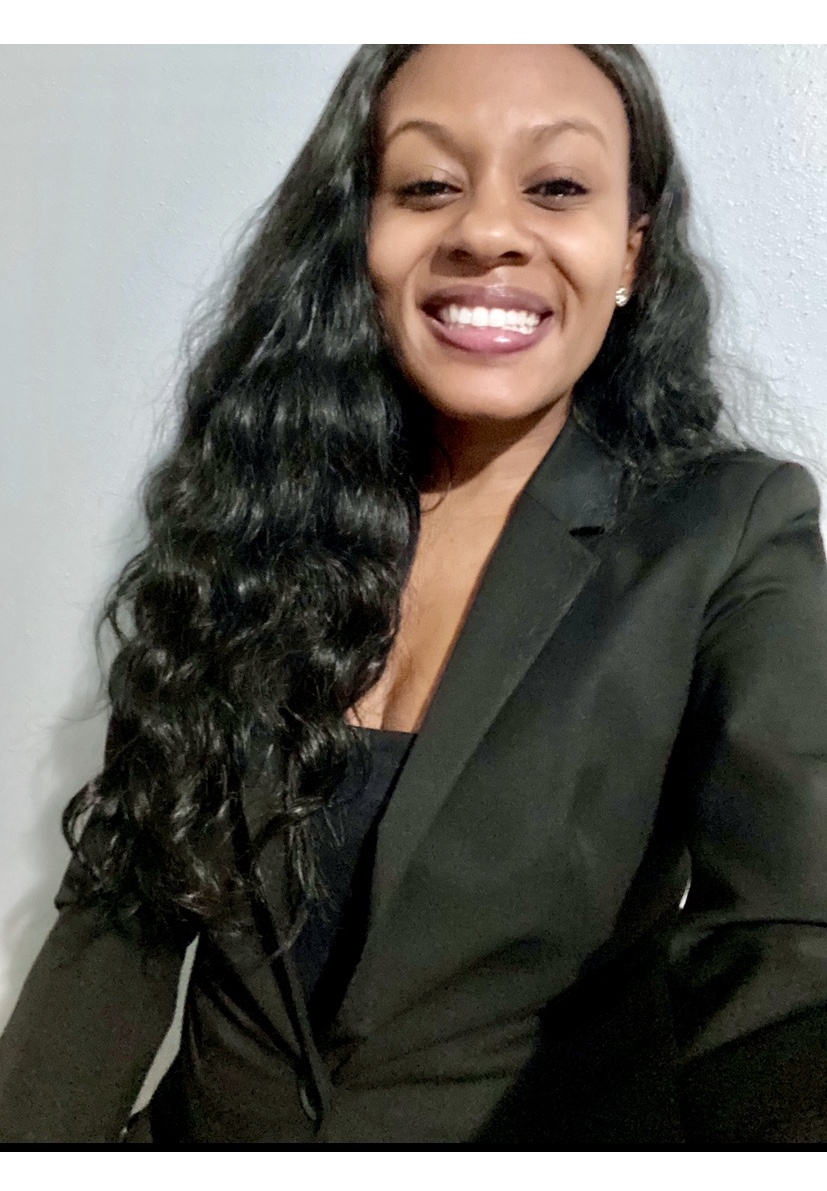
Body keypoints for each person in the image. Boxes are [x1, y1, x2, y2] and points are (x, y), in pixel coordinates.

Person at [1, 42, 826, 1147]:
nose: (485, 231)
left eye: (556, 186)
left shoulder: (726, 531)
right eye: (428, 184)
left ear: (629, 250)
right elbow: (121, 922)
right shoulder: (252, 517)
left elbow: (784, 943)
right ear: (362, 237)